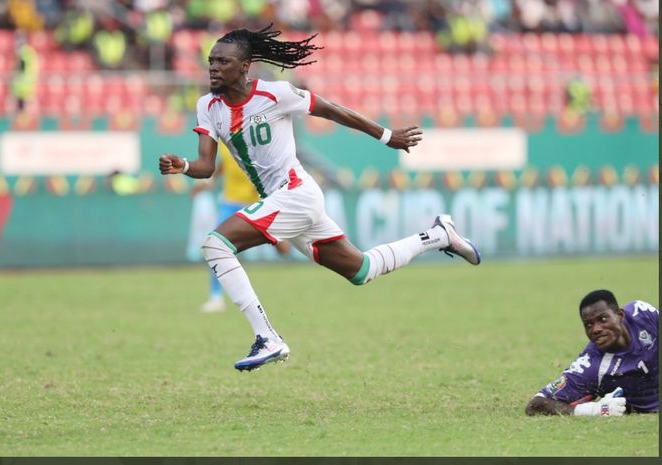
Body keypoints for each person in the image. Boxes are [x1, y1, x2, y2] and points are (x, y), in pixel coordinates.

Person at [159, 24, 481, 372]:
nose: (214, 68)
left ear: (245, 65)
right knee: (362, 270)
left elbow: (331, 109)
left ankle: (267, 338)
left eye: (222, 61)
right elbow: (206, 167)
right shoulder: (207, 105)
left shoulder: (275, 93)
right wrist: (184, 165)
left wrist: (387, 136)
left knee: (216, 245)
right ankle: (438, 235)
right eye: (211, 61)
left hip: (297, 194)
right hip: (282, 202)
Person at [525, 290, 658, 416]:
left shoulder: (641, 313)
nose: (596, 329)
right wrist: (593, 410)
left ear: (619, 315)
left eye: (603, 319)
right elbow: (535, 405)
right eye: (588, 325)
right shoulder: (590, 366)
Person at [191, 142, 290, 313]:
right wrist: (209, 182)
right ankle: (216, 297)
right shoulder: (223, 141)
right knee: (213, 245)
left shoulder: (255, 142)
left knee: (284, 248)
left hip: (256, 205)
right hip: (230, 204)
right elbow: (225, 164)